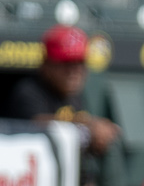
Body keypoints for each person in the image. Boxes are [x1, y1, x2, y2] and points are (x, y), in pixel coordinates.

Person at [3, 26, 120, 157]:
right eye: (66, 63)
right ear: (46, 64)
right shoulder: (28, 91)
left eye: (80, 63)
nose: (74, 71)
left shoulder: (75, 95)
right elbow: (38, 126)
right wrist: (87, 127)